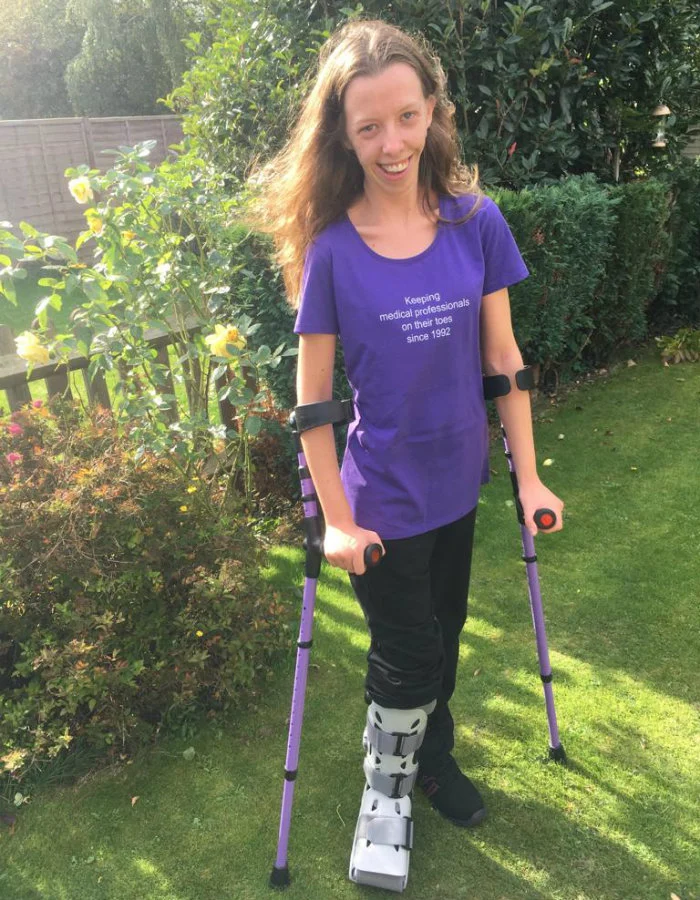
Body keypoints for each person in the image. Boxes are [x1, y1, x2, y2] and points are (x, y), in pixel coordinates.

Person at [253, 19, 564, 892]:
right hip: (379, 499)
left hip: (456, 483)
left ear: (433, 109)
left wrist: (530, 476)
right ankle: (383, 797)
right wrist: (336, 522)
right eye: (368, 127)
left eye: (406, 117)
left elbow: (503, 360)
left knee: (444, 635)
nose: (392, 143)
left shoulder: (475, 222)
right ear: (343, 136)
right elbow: (314, 404)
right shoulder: (332, 250)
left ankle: (433, 757)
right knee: (406, 653)